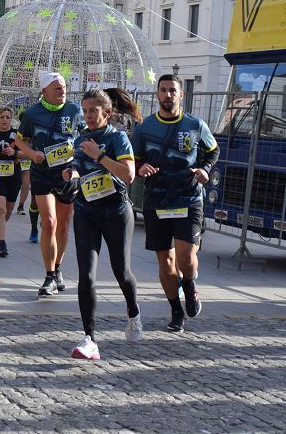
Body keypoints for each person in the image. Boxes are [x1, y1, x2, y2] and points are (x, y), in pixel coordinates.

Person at [132, 74, 219, 334]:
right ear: (157, 94)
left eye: (173, 90)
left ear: (181, 95)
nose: (168, 95)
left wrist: (205, 168)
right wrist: (140, 167)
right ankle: (175, 310)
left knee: (185, 256)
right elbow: (131, 160)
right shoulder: (145, 127)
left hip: (189, 197)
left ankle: (190, 287)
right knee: (166, 264)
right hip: (157, 200)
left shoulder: (195, 124)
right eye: (163, 90)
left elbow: (213, 150)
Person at [64, 89, 142, 360]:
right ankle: (90, 339)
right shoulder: (80, 138)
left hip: (116, 212)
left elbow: (128, 174)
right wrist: (71, 173)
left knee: (122, 272)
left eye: (93, 111)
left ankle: (133, 311)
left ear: (106, 113)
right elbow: (77, 167)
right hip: (86, 211)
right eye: (84, 111)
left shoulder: (118, 138)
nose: (88, 116)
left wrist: (99, 156)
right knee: (86, 276)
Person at [14, 71, 84, 297]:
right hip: (42, 173)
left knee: (63, 224)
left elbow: (84, 137)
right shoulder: (32, 113)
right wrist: (32, 153)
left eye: (63, 87)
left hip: (66, 174)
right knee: (50, 222)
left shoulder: (74, 110)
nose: (62, 91)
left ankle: (58, 268)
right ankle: (49, 275)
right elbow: (19, 140)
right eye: (57, 88)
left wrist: (79, 157)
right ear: (44, 91)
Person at [0, 106, 22, 258]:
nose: (5, 120)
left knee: (6, 212)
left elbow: (29, 153)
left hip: (13, 176)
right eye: (2, 117)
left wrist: (15, 152)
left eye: (8, 117)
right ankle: (2, 243)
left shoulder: (17, 136)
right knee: (0, 209)